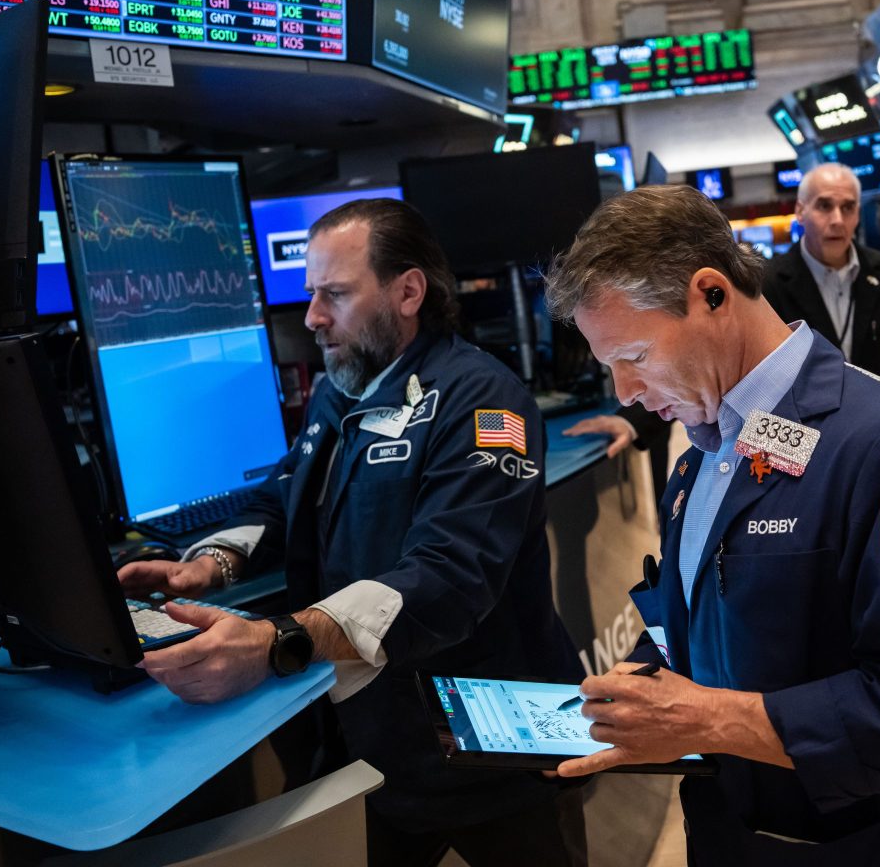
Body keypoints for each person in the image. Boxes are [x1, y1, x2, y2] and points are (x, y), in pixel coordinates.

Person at [117, 199, 588, 866]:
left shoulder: (482, 400)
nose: (312, 318)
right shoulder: (344, 391)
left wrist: (280, 640)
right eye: (312, 294)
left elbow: (448, 579)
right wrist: (211, 563)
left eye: (334, 295)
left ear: (408, 291)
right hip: (370, 749)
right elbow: (287, 494)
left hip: (491, 754)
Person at [546, 184, 880, 865]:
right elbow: (708, 619)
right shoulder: (703, 452)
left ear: (711, 294)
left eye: (633, 358)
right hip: (729, 827)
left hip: (863, 841)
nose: (626, 394)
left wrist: (711, 720)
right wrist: (640, 686)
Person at [763, 164, 880, 389]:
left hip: (879, 418)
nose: (838, 219)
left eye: (848, 207)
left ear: (858, 214)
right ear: (800, 211)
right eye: (824, 206)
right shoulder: (768, 285)